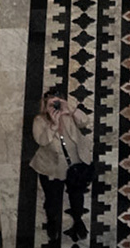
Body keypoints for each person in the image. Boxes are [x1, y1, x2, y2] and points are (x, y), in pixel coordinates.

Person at [30, 88, 94, 239]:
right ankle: (52, 222)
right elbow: (42, 140)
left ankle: (78, 220)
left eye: (57, 103)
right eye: (51, 104)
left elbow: (85, 122)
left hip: (75, 164)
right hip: (51, 168)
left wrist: (71, 110)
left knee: (77, 196)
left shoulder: (68, 115)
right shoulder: (39, 121)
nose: (55, 107)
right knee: (52, 199)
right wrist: (53, 124)